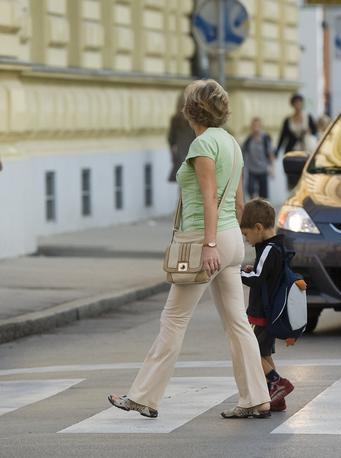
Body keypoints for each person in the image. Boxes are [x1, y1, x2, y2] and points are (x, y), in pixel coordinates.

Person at [107, 79, 271, 420]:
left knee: (173, 319)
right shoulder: (230, 143)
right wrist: (240, 242)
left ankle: (143, 397)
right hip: (230, 239)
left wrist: (210, 244)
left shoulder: (202, 146)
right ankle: (257, 397)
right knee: (238, 323)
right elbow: (239, 202)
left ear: (191, 110)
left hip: (203, 241)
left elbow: (208, 197)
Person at [239, 198, 298, 412]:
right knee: (264, 353)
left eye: (246, 234)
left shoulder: (267, 249)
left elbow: (257, 277)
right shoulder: (277, 246)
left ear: (258, 228)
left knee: (251, 351)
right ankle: (275, 398)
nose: (246, 240)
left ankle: (277, 382)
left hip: (263, 311)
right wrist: (250, 269)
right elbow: (264, 273)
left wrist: (237, 273)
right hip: (271, 310)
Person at [167, 92, 196, 182]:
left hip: (181, 155)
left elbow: (171, 140)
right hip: (193, 153)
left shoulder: (175, 119)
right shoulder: (194, 118)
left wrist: (173, 156)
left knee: (183, 186)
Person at [242, 117, 274, 199]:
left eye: (257, 125)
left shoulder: (265, 138)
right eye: (254, 125)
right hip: (252, 169)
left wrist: (272, 168)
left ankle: (263, 208)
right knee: (250, 190)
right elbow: (243, 152)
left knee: (263, 194)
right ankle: (253, 207)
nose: (255, 127)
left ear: (261, 126)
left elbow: (270, 153)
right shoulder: (249, 139)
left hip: (263, 169)